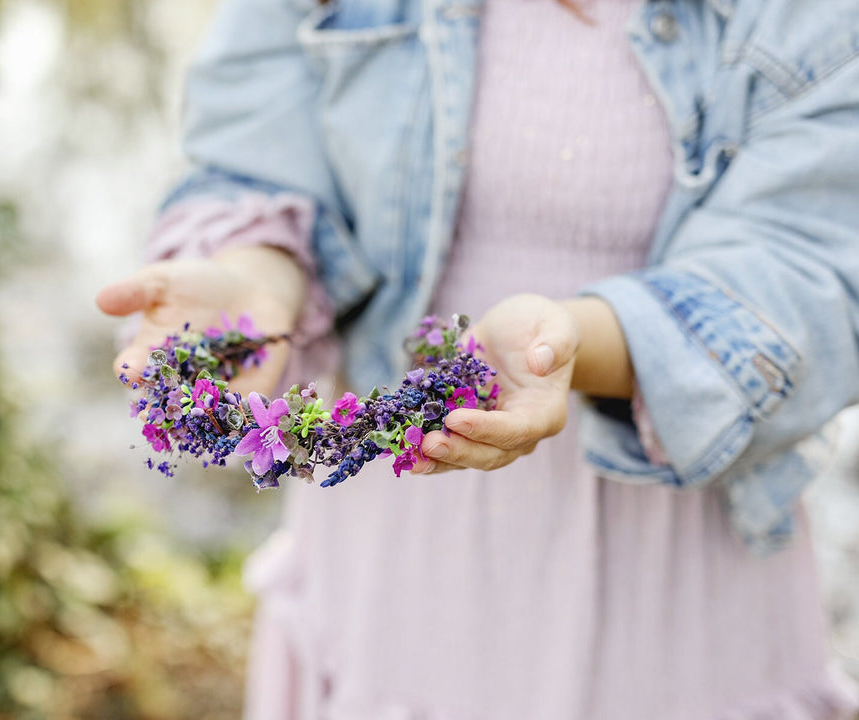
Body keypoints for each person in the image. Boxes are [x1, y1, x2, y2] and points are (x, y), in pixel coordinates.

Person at [96, 0, 859, 717]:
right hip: (390, 561)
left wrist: (570, 342)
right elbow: (258, 150)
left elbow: (816, 270)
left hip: (674, 583)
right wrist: (255, 277)